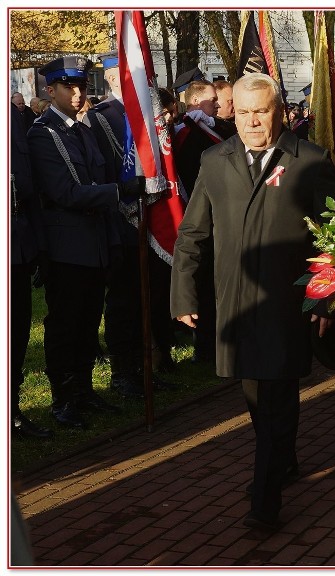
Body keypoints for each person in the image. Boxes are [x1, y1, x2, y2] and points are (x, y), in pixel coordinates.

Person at [171, 72, 335, 530]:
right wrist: (183, 293)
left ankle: (265, 502)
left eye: (261, 111)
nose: (251, 122)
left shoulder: (309, 160)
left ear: (279, 112)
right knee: (255, 394)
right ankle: (282, 460)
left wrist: (326, 301)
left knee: (276, 397)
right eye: (243, 112)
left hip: (289, 305)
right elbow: (192, 235)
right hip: (235, 303)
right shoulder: (214, 159)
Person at [28, 56, 146, 429]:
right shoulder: (43, 134)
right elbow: (66, 192)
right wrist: (118, 191)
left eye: (81, 86)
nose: (78, 94)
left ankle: (83, 391)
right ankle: (63, 399)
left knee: (88, 322)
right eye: (69, 87)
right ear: (51, 90)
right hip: (67, 247)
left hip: (94, 243)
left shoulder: (83, 131)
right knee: (66, 324)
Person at [87, 51, 176, 393]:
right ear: (112, 79)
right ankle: (124, 372)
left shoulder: (148, 111)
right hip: (122, 219)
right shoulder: (101, 118)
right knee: (124, 301)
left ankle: (143, 365)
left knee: (146, 296)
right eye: (123, 77)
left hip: (150, 217)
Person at [173, 79, 238, 364]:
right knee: (203, 284)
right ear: (196, 102)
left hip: (220, 218)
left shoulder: (209, 130)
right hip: (201, 215)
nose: (219, 105)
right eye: (213, 100)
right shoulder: (189, 133)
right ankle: (205, 346)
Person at [11, 98, 53, 439]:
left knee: (16, 333)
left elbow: (29, 187)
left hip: (18, 244)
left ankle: (11, 410)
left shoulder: (11, 114)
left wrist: (38, 245)